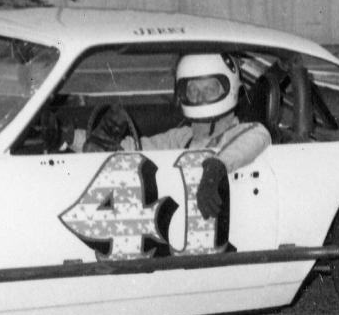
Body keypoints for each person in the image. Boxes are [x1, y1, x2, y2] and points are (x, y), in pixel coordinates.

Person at [79, 54, 272, 220]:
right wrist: (71, 137)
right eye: (193, 91)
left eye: (209, 90)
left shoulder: (243, 132)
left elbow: (258, 136)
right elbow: (135, 148)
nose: (200, 98)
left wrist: (216, 168)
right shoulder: (183, 137)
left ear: (229, 90)